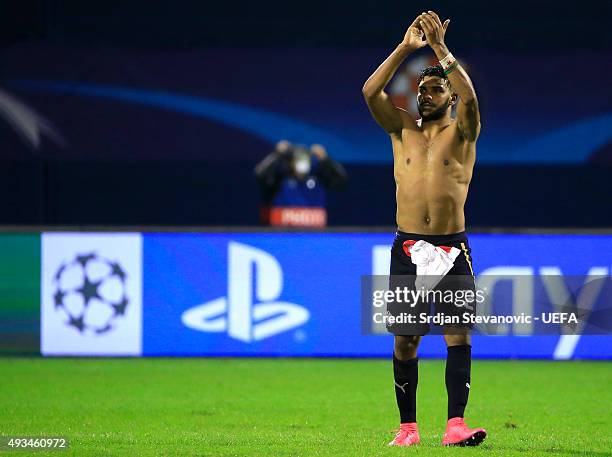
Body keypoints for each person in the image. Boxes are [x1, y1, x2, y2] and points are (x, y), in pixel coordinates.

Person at [362, 11, 486, 446]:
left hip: (452, 247)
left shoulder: (463, 134)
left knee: (457, 334)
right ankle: (408, 428)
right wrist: (405, 48)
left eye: (435, 89)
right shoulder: (402, 131)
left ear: (450, 96)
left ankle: (455, 425)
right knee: (406, 343)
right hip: (408, 246)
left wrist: (440, 50)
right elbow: (369, 91)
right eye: (421, 89)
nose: (425, 95)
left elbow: (471, 102)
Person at [254, 140, 347, 227]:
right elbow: (260, 173)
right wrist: (277, 154)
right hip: (282, 233)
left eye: (305, 159)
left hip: (315, 234)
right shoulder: (279, 180)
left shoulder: (319, 179)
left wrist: (326, 159)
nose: (302, 162)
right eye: (298, 159)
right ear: (291, 162)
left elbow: (342, 179)